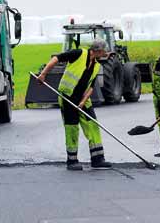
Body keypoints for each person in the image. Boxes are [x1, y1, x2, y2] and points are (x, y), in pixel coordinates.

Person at [37, 39, 113, 171]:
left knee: (92, 124)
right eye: (104, 51)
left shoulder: (96, 65)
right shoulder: (78, 53)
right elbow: (57, 58)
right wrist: (44, 74)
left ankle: (98, 159)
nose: (106, 53)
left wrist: (83, 102)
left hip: (83, 99)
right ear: (99, 50)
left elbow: (91, 87)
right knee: (72, 128)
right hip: (67, 96)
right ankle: (72, 160)